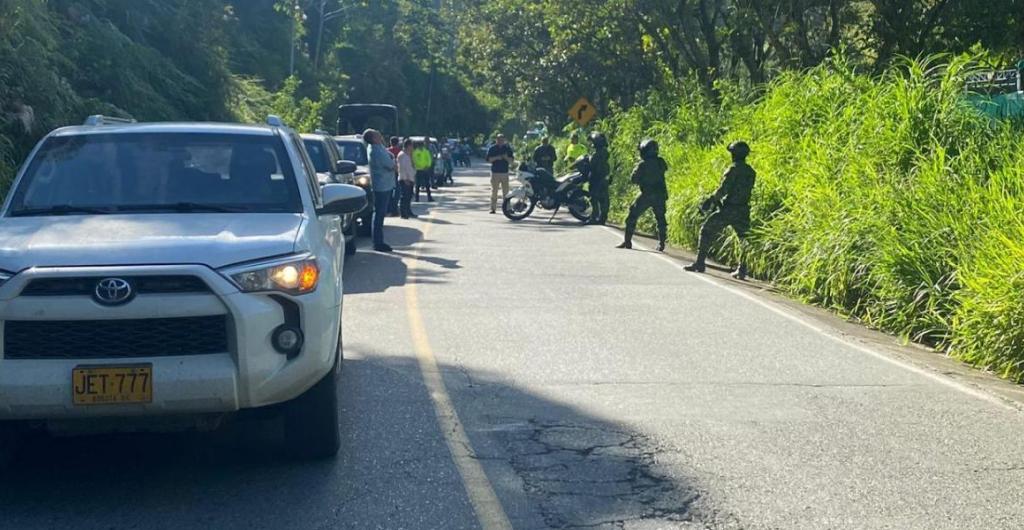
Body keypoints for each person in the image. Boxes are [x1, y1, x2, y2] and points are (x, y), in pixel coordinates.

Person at [685, 141, 756, 279]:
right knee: (745, 240)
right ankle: (742, 270)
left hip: (729, 209)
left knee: (706, 230)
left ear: (734, 154)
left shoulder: (733, 169)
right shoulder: (751, 172)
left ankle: (700, 263)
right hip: (743, 210)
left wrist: (711, 200)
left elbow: (724, 189)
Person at [617, 139, 668, 251]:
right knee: (660, 219)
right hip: (660, 194)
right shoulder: (660, 162)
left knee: (632, 215)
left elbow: (633, 179)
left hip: (647, 195)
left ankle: (627, 241)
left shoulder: (642, 165)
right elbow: (664, 169)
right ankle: (662, 243)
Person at [365, 129, 396, 252]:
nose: (380, 134)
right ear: (373, 138)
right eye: (376, 134)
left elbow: (390, 156)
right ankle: (378, 242)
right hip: (382, 185)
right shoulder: (376, 151)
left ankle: (378, 240)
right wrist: (393, 163)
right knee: (379, 214)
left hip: (385, 184)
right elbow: (390, 164)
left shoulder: (378, 147)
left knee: (380, 213)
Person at [485, 134, 514, 214]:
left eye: (502, 139)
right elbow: (489, 159)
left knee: (506, 192)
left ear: (504, 140)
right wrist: (497, 157)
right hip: (495, 172)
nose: (500, 141)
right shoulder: (492, 148)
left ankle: (507, 208)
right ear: (496, 140)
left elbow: (511, 161)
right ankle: (493, 208)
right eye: (499, 139)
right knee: (494, 191)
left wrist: (506, 158)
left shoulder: (507, 148)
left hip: (504, 172)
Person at [587, 132, 611, 225]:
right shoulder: (605, 153)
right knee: (604, 199)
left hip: (596, 179)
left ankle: (594, 217)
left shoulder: (596, 155)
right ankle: (603, 217)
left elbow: (591, 165)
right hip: (603, 178)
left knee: (594, 199)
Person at [396, 138, 417, 219]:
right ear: (408, 146)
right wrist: (405, 179)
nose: (413, 147)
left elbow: (412, 166)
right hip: (405, 179)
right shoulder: (402, 155)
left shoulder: (409, 155)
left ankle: (408, 211)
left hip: (411, 178)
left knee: (409, 196)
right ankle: (403, 213)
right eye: (411, 145)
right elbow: (402, 169)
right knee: (404, 197)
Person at [387, 136, 402, 216]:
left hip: (389, 173)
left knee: (389, 191)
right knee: (397, 191)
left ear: (390, 142)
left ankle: (389, 208)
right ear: (398, 143)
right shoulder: (400, 151)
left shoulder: (387, 151)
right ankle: (394, 208)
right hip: (397, 173)